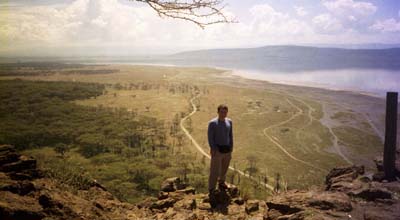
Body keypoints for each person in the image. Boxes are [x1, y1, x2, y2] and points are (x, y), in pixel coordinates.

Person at [207, 104, 233, 194]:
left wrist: (231, 147)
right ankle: (211, 189)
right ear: (218, 112)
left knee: (224, 169)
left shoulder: (229, 122)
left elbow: (230, 135)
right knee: (214, 171)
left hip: (227, 150)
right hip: (217, 151)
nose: (223, 114)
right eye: (221, 112)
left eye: (225, 112)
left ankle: (221, 183)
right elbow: (210, 137)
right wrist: (213, 149)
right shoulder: (213, 123)